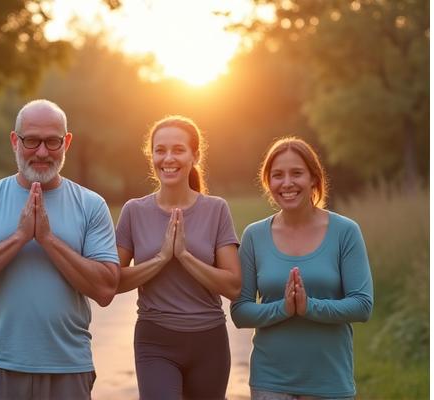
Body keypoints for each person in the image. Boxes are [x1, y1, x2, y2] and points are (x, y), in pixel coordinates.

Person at [0, 99, 120, 400]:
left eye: (52, 142)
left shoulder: (92, 205)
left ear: (67, 142)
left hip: (68, 369)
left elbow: (105, 289)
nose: (41, 152)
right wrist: (19, 238)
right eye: (31, 140)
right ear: (15, 141)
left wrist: (48, 239)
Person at [230, 137, 374, 400]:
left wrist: (309, 308)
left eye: (296, 173)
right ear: (268, 183)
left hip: (329, 383)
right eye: (277, 175)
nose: (287, 183)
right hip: (269, 383)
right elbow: (240, 312)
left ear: (314, 179)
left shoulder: (345, 232)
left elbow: (363, 305)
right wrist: (283, 309)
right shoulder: (254, 236)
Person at [115, 115, 241, 400]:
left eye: (178, 149)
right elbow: (112, 281)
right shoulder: (134, 211)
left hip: (209, 341)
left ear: (195, 156)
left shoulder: (216, 209)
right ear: (151, 156)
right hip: (154, 339)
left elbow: (234, 286)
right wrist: (161, 258)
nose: (168, 158)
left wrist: (184, 256)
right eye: (160, 150)